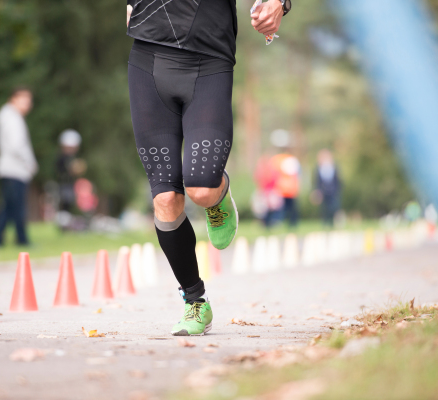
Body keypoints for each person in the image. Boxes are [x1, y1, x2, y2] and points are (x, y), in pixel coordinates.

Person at [126, 0, 291, 335]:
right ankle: (195, 301)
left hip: (209, 62)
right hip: (147, 61)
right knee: (165, 199)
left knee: (200, 188)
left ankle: (217, 196)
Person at [0, 87, 38, 247]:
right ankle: (19, 239)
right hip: (14, 169)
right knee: (15, 207)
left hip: (10, 169)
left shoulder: (8, 117)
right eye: (24, 100)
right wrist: (30, 162)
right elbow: (17, 146)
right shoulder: (12, 118)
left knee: (9, 207)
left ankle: (0, 239)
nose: (28, 104)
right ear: (13, 99)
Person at [269, 150, 300, 226]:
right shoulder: (278, 160)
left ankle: (292, 223)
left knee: (290, 208)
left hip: (290, 190)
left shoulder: (289, 160)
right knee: (282, 209)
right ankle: (277, 222)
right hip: (282, 190)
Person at [312, 149, 341, 226]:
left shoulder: (334, 167)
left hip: (333, 190)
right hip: (323, 191)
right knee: (324, 208)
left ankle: (331, 222)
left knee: (333, 207)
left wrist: (337, 189)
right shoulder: (318, 168)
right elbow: (317, 181)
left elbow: (337, 180)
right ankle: (325, 222)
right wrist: (317, 191)